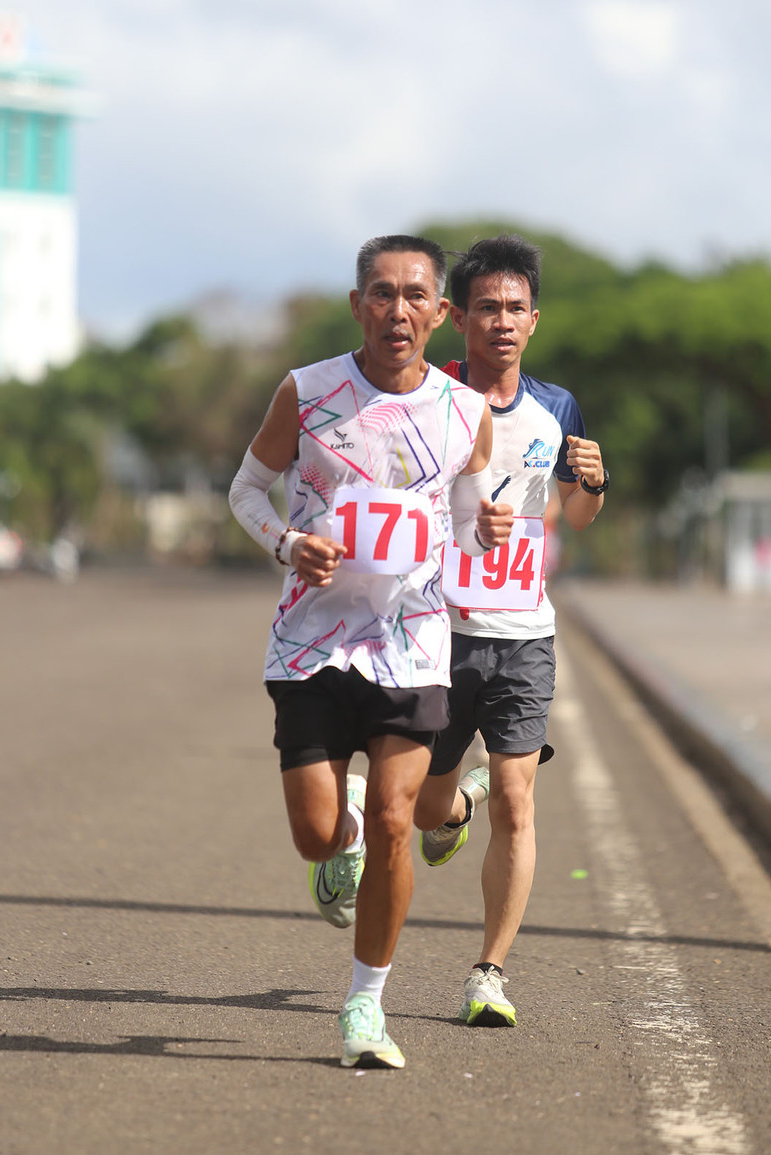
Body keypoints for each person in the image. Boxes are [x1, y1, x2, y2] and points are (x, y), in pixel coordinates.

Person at [228, 234, 512, 1070]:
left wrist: (486, 527)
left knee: (399, 819)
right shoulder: (309, 392)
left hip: (412, 642)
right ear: (358, 304)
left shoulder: (466, 414)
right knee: (319, 837)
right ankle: (338, 834)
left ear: (441, 313)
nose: (398, 310)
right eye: (381, 294)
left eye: (415, 295)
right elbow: (246, 489)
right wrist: (287, 545)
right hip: (312, 643)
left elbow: (466, 522)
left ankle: (364, 1005)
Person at [413, 234, 607, 1028]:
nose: (503, 320)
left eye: (516, 308)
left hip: (525, 631)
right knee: (425, 812)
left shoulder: (557, 409)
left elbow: (575, 513)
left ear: (536, 319)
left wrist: (592, 481)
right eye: (487, 306)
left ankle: (488, 971)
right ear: (458, 317)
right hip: (436, 627)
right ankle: (454, 807)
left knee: (519, 804)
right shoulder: (428, 392)